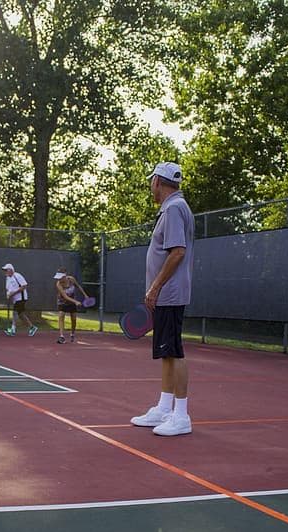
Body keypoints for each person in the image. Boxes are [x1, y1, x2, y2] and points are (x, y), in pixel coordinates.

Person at [130, 162, 195, 436]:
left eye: (151, 181)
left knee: (174, 351)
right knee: (167, 351)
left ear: (158, 181)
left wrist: (155, 287)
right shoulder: (173, 208)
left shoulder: (173, 209)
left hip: (168, 294)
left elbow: (177, 251)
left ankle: (181, 416)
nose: (150, 186)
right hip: (166, 294)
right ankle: (164, 407)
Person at [2, 263, 38, 336]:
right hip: (15, 299)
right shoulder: (8, 278)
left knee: (15, 312)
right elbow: (8, 289)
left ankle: (13, 330)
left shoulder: (17, 276)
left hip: (21, 298)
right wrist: (8, 294)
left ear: (11, 270)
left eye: (6, 270)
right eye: (4, 270)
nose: (5, 271)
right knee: (21, 314)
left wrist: (13, 293)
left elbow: (24, 286)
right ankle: (32, 327)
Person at [53, 267, 87, 344]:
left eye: (60, 277)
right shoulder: (58, 284)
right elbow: (65, 296)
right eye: (57, 277)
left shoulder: (71, 279)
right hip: (62, 302)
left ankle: (72, 334)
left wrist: (85, 295)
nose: (58, 279)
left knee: (74, 319)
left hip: (72, 303)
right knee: (61, 315)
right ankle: (62, 336)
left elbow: (78, 286)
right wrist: (76, 302)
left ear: (64, 276)